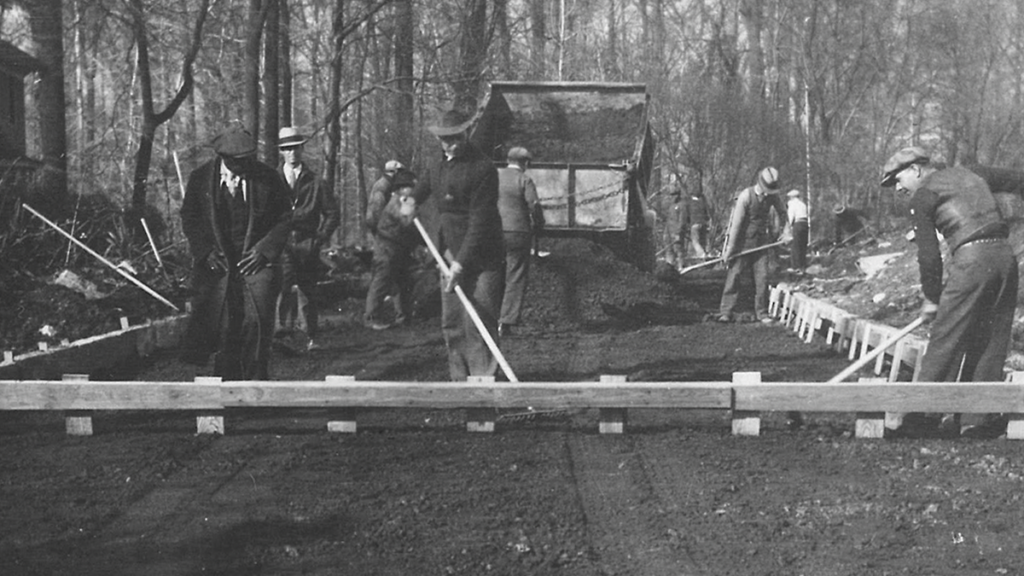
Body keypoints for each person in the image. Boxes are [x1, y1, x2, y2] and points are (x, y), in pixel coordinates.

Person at [881, 146, 1018, 438]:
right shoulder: (974, 173)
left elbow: (929, 256)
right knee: (990, 340)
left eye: (898, 179)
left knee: (946, 338)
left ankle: (922, 417)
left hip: (972, 261)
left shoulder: (923, 196)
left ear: (916, 169)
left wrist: (932, 298)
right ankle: (975, 421)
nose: (898, 188)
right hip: (1006, 258)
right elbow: (1020, 180)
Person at [180, 127, 293, 380]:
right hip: (218, 264)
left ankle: (255, 384)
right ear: (224, 158)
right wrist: (204, 251)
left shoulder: (267, 178)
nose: (245, 166)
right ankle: (227, 385)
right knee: (223, 323)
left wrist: (264, 251)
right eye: (239, 162)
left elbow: (285, 217)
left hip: (255, 262)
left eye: (248, 159)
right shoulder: (201, 178)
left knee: (256, 321)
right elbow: (190, 217)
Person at [409, 108, 504, 380]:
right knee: (452, 322)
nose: (451, 144)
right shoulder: (436, 164)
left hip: (483, 255)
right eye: (445, 139)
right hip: (449, 252)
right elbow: (424, 186)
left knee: (479, 319)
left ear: (466, 133)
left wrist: (460, 264)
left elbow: (480, 223)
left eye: (456, 138)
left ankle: (483, 382)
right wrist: (411, 201)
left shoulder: (483, 169)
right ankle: (460, 382)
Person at [275, 126, 340, 352]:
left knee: (308, 292)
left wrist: (320, 238)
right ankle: (281, 336)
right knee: (281, 289)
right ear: (281, 152)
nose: (292, 153)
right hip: (282, 244)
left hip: (307, 243)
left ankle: (310, 337)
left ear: (302, 149)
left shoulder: (315, 181)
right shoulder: (273, 180)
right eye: (287, 149)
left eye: (296, 148)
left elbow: (332, 213)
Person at [717, 166, 787, 324]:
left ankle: (762, 313)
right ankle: (726, 312)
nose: (768, 193)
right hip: (743, 243)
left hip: (761, 243)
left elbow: (783, 212)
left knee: (762, 277)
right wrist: (730, 249)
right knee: (734, 276)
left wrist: (787, 231)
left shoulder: (773, 196)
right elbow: (736, 225)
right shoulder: (746, 196)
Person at [364, 168, 419, 329]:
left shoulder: (403, 201)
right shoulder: (398, 202)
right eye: (411, 186)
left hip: (398, 248)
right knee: (381, 282)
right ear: (403, 188)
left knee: (403, 281)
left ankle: (403, 316)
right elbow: (408, 223)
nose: (414, 190)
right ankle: (371, 317)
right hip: (387, 248)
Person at [497, 146, 541, 337]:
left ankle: (488, 317)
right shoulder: (524, 179)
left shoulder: (495, 176)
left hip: (494, 232)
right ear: (525, 163)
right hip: (517, 233)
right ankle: (505, 321)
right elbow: (534, 205)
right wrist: (540, 223)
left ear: (508, 160)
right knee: (515, 275)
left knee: (494, 274)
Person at [679, 184, 711, 260]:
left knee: (695, 241)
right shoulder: (702, 202)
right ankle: (706, 254)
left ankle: (702, 254)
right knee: (703, 241)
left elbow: (686, 215)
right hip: (703, 224)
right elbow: (707, 214)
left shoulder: (689, 203)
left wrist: (685, 225)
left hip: (694, 224)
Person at [785, 189, 809, 273]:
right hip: (805, 224)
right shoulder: (803, 204)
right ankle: (803, 265)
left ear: (792, 197)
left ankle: (795, 266)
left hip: (798, 224)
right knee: (803, 245)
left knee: (795, 245)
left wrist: (788, 228)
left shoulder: (792, 204)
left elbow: (790, 217)